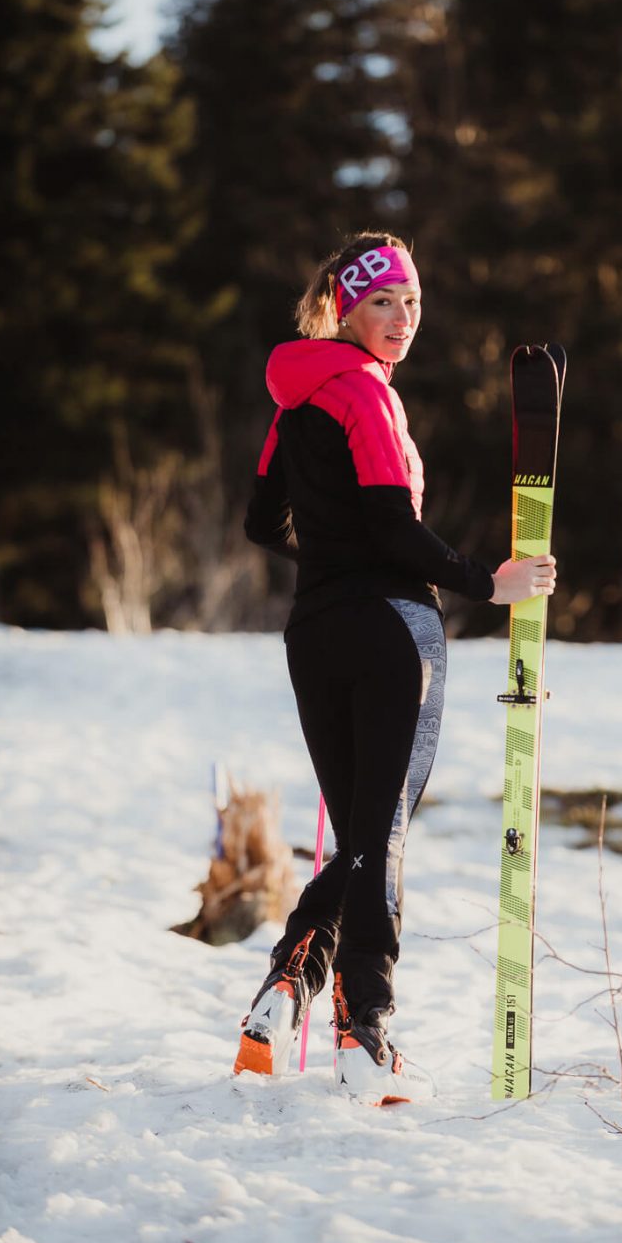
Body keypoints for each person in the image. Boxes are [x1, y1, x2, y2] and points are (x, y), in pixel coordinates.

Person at [235, 231, 555, 1104]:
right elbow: (393, 528)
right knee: (382, 835)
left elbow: (263, 523)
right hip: (393, 632)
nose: (402, 319)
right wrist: (485, 582)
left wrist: (329, 553)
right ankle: (364, 1028)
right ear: (344, 304)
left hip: (314, 634)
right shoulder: (366, 396)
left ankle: (288, 984)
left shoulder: (292, 400)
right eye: (384, 301)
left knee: (361, 831)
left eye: (412, 302)